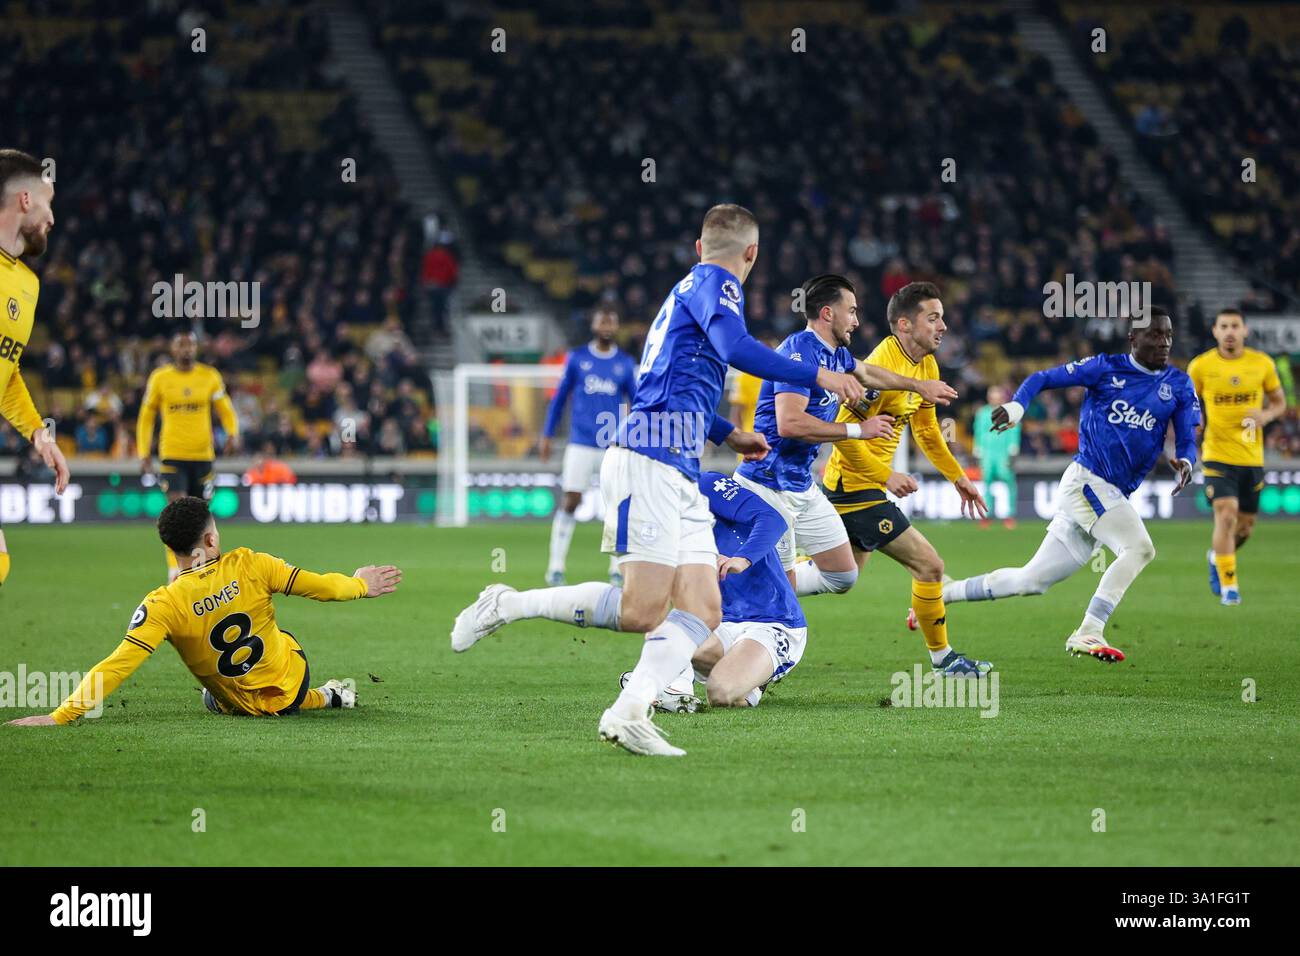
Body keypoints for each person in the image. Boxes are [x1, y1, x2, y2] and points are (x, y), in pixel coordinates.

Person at [452, 203, 864, 755]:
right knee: (640, 610)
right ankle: (506, 603)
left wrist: (726, 432)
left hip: (679, 462)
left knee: (702, 609)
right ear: (751, 255)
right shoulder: (717, 285)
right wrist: (821, 374)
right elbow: (737, 350)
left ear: (699, 246)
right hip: (646, 457)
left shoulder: (684, 294)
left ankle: (629, 712)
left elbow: (668, 381)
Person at [6, 496, 402, 727]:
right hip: (289, 684)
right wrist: (360, 585)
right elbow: (324, 588)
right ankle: (326, 696)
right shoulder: (251, 564)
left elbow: (117, 664)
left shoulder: (161, 604)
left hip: (235, 705)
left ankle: (318, 697)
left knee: (215, 695)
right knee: (283, 640)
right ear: (211, 539)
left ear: (171, 548)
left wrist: (61, 715)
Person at [942, 308, 1200, 662]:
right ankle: (1089, 630)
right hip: (1088, 481)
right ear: (1133, 338)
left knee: (1031, 581)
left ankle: (946, 592)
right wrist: (1017, 406)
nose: (1164, 342)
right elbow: (1042, 378)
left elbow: (1187, 435)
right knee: (1139, 548)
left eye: (1169, 335)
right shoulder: (1106, 368)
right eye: (1155, 335)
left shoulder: (1179, 384)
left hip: (1109, 493)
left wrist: (1187, 460)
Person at [733, 273, 957, 596]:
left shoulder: (835, 354)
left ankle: (754, 576)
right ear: (827, 314)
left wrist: (919, 386)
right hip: (769, 484)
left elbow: (868, 372)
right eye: (851, 311)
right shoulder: (798, 352)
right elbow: (790, 424)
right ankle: (730, 591)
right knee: (782, 597)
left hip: (801, 484)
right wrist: (857, 431)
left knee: (844, 575)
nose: (856, 320)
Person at [822, 282, 992, 676]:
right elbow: (841, 436)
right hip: (855, 487)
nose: (943, 326)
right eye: (933, 318)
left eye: (943, 317)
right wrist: (887, 476)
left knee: (837, 577)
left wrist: (957, 478)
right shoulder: (878, 370)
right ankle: (944, 660)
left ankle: (742, 581)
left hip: (865, 486)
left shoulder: (926, 364)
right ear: (904, 325)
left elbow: (928, 431)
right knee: (930, 565)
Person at [0, 149, 72, 589]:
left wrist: (40, 437)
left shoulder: (27, 284)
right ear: (25, 199)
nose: (52, 218)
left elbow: (6, 374)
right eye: (48, 204)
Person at [1187, 308, 1287, 605]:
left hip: (1251, 458)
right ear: (1215, 331)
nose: (1230, 331)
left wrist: (1266, 414)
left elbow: (1280, 403)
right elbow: (1187, 403)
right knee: (1226, 515)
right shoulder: (1201, 366)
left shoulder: (1262, 364)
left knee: (1244, 528)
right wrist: (1194, 421)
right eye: (1224, 326)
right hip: (1217, 454)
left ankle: (1217, 556)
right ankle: (1230, 588)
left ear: (1245, 331)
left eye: (1235, 326)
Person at [538, 306, 638, 586]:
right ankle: (555, 567)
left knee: (616, 504)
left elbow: (640, 403)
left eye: (611, 320)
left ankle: (617, 569)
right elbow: (559, 399)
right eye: (602, 320)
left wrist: (641, 438)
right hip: (580, 442)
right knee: (571, 500)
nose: (607, 325)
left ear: (616, 327)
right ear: (593, 324)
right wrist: (546, 435)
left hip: (613, 446)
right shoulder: (577, 359)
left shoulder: (625, 363)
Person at [137, 331, 241, 580]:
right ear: (172, 349)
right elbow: (146, 416)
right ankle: (175, 568)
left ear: (196, 348)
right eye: (181, 345)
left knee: (202, 515)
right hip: (172, 454)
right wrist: (143, 452)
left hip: (203, 456)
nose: (186, 350)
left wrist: (232, 434)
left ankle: (205, 567)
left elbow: (225, 409)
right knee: (177, 510)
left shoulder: (209, 376)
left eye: (190, 345)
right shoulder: (160, 378)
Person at [972, 385, 1021, 527]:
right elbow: (979, 431)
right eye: (992, 396)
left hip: (1003, 452)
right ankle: (986, 515)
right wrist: (978, 448)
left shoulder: (1010, 412)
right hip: (987, 453)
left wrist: (1013, 446)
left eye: (997, 396)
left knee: (1008, 481)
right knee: (986, 482)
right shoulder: (982, 413)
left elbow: (1013, 429)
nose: (995, 399)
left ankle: (1010, 514)